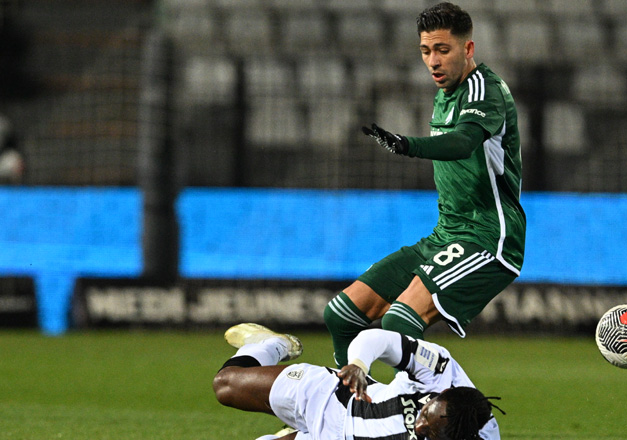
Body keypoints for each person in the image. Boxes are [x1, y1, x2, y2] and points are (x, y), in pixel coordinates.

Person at [324, 2, 526, 367]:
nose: (433, 61)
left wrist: (408, 145)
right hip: (445, 235)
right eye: (426, 51)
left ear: (468, 48)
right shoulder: (444, 95)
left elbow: (463, 142)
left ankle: (429, 398)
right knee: (341, 315)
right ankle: (351, 401)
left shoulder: (485, 90)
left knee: (399, 321)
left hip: (488, 237)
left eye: (442, 50)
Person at [213, 323, 502, 440]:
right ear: (445, 392)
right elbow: (378, 339)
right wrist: (359, 365)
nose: (420, 426)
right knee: (225, 385)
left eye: (431, 434)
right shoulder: (441, 371)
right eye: (425, 413)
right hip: (335, 399)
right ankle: (273, 344)